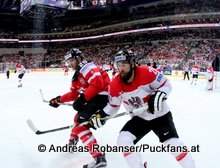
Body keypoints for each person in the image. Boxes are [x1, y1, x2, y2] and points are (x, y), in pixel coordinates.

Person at [89, 50, 197, 168]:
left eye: (124, 65)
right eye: (118, 65)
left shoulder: (147, 72)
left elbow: (166, 85)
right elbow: (113, 106)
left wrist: (160, 94)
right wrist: (101, 115)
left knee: (173, 145)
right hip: (140, 117)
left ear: (133, 64)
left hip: (160, 114)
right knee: (123, 140)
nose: (121, 69)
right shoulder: (115, 85)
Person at [49, 48, 110, 168]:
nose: (70, 63)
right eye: (68, 61)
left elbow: (98, 83)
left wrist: (83, 99)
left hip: (103, 97)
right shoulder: (77, 75)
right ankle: (72, 142)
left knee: (79, 122)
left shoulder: (86, 66)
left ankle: (99, 157)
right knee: (78, 119)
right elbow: (73, 94)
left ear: (78, 58)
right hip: (96, 98)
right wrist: (58, 100)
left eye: (71, 60)